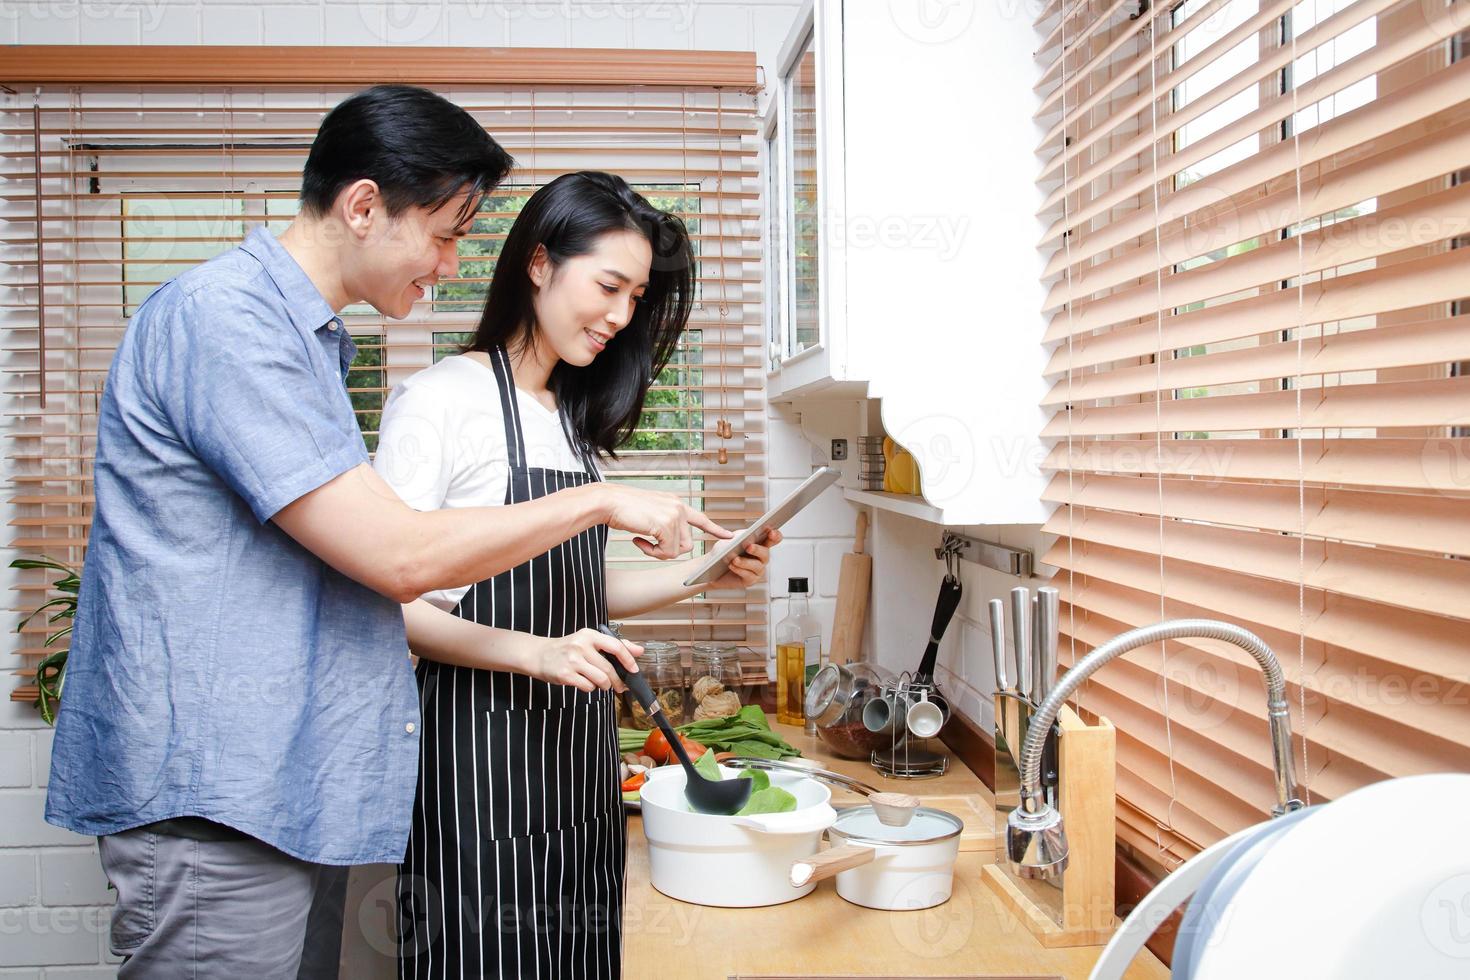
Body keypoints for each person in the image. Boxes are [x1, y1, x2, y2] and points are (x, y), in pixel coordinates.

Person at [44, 87, 727, 979]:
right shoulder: (225, 322)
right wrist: (598, 505)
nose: (450, 265)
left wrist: (695, 563)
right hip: (216, 784)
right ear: (363, 206)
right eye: (444, 235)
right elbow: (399, 559)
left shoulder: (313, 347)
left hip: (285, 784)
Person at [373, 171, 781, 979]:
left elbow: (575, 590)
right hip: (476, 768)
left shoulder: (568, 420)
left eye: (636, 297)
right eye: (609, 286)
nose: (622, 316)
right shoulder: (441, 401)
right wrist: (538, 654)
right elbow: (394, 604)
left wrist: (707, 575)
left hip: (578, 768)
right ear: (536, 263)